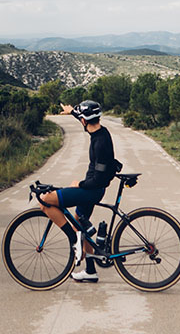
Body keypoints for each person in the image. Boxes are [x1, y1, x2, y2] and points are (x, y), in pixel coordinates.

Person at [37, 99, 120, 283]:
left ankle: (74, 240)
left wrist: (79, 185)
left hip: (92, 190)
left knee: (44, 200)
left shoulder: (100, 144)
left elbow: (98, 179)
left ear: (84, 121)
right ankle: (90, 271)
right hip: (93, 188)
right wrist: (72, 111)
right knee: (79, 223)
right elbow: (86, 119)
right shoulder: (100, 131)